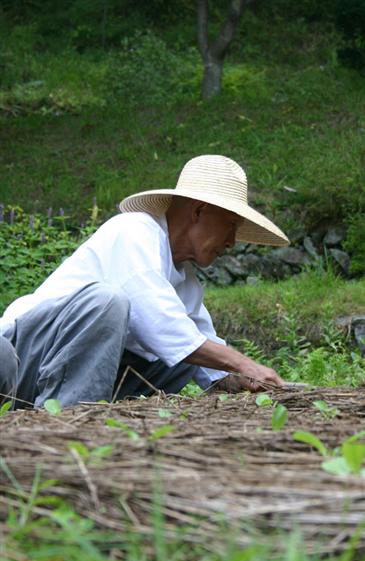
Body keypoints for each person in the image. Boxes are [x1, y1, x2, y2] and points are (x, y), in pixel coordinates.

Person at [0, 154, 289, 409]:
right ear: (199, 210)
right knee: (107, 302)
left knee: (187, 360)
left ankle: (92, 412)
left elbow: (203, 350)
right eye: (230, 225)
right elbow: (162, 325)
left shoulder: (185, 282)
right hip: (20, 361)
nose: (231, 242)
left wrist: (259, 383)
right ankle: (64, 417)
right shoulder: (134, 230)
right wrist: (243, 362)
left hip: (60, 376)